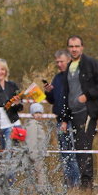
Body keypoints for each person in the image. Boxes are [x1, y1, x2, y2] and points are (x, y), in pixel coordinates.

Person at [64, 35, 98, 188]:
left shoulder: (91, 63)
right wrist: (65, 117)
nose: (74, 49)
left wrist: (87, 96)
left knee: (84, 146)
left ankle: (87, 184)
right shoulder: (69, 66)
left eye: (77, 46)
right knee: (78, 147)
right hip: (73, 113)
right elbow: (66, 92)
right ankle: (81, 181)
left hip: (88, 112)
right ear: (68, 48)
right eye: (71, 46)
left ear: (82, 47)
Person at [43, 49, 80, 187]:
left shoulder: (74, 77)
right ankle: (68, 183)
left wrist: (65, 120)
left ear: (69, 60)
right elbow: (54, 100)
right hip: (59, 120)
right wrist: (49, 92)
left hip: (71, 120)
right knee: (64, 154)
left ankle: (76, 184)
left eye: (61, 61)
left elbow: (72, 101)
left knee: (72, 153)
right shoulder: (57, 78)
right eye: (57, 62)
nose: (59, 64)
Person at [0, 58, 22, 148]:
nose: (0, 72)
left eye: (2, 69)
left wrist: (17, 103)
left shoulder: (12, 86)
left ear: (6, 72)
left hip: (12, 125)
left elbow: (21, 107)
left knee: (9, 156)